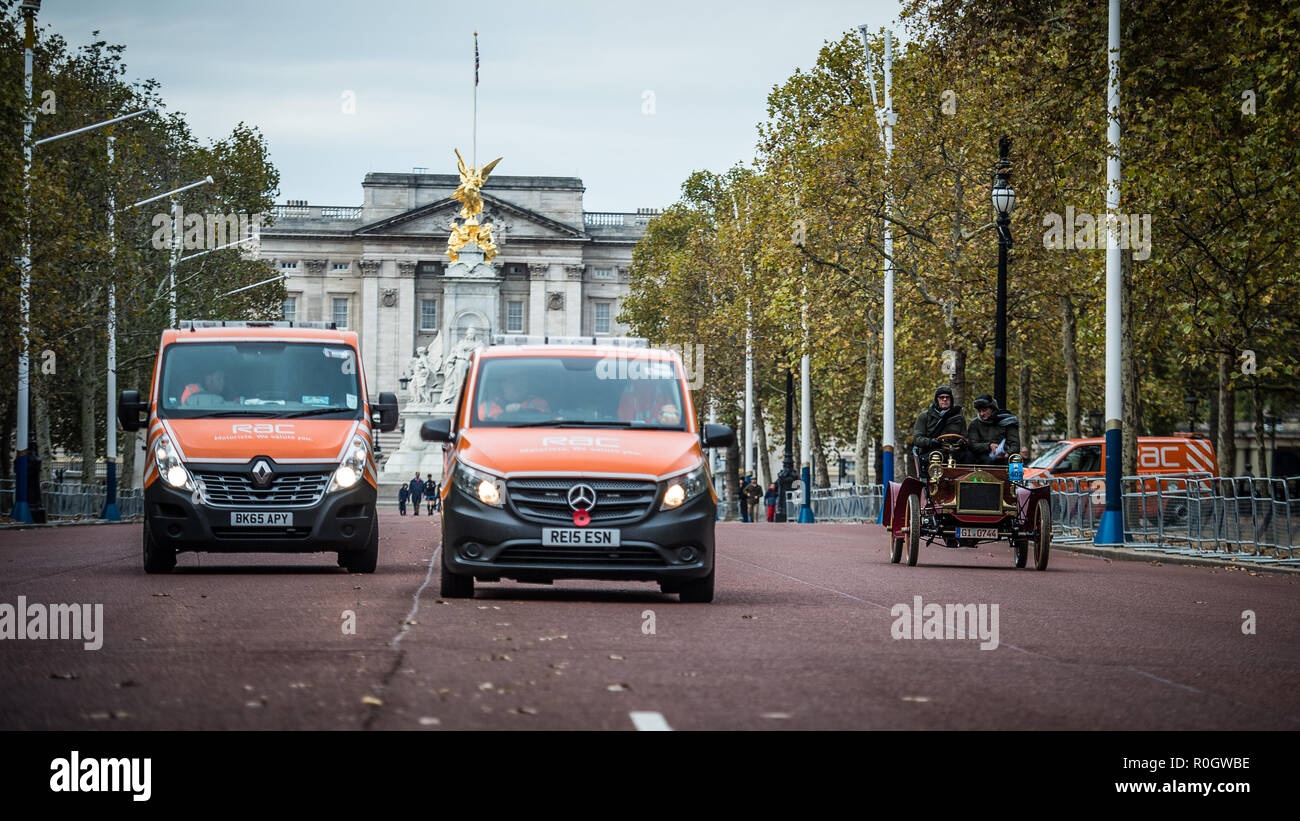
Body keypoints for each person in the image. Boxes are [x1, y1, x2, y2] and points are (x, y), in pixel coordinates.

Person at [912, 385, 966, 467]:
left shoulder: (959, 417)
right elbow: (917, 439)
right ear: (936, 400)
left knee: (970, 457)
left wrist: (961, 442)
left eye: (947, 397)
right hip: (932, 450)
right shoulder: (924, 416)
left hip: (954, 451)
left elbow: (965, 436)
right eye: (941, 397)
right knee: (936, 457)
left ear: (951, 400)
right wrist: (932, 442)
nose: (945, 400)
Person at [965, 394, 1021, 465]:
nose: (982, 414)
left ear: (992, 408)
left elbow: (1015, 444)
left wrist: (1007, 453)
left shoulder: (1007, 421)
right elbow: (972, 444)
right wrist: (988, 446)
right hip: (983, 458)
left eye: (984, 410)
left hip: (1004, 458)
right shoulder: (974, 424)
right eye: (979, 411)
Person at [479, 379, 550, 420]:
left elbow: (546, 419)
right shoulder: (486, 407)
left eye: (521, 381)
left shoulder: (538, 402)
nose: (518, 385)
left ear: (526, 385)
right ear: (503, 385)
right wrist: (506, 414)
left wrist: (521, 410)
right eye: (512, 381)